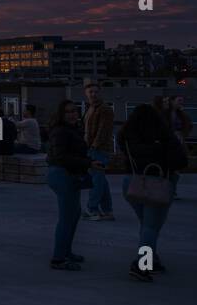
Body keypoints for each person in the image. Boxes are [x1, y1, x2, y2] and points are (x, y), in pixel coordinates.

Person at [119, 102, 187, 282]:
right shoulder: (165, 137)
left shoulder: (125, 136)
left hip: (132, 183)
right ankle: (142, 265)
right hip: (157, 186)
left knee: (147, 225)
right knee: (151, 227)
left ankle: (151, 260)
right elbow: (181, 161)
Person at [46, 100, 99, 270]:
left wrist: (87, 162)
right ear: (61, 114)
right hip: (62, 174)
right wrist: (88, 164)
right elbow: (61, 157)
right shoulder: (60, 131)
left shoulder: (72, 129)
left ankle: (66, 251)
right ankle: (58, 258)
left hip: (70, 174)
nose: (72, 114)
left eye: (74, 111)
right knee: (67, 218)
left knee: (74, 215)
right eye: (68, 112)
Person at [82, 82, 115, 220]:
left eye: (96, 92)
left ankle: (92, 209)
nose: (93, 94)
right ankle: (107, 211)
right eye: (91, 92)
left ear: (100, 93)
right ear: (86, 94)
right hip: (93, 148)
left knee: (96, 180)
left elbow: (103, 130)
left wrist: (93, 147)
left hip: (99, 149)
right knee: (101, 181)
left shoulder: (104, 109)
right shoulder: (91, 108)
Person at [169, 96, 191, 199]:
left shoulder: (181, 114)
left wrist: (182, 134)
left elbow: (188, 125)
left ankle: (172, 190)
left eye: (182, 100)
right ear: (172, 101)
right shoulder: (166, 113)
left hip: (179, 142)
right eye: (179, 100)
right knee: (170, 168)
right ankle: (170, 190)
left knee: (177, 168)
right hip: (169, 143)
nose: (181, 102)